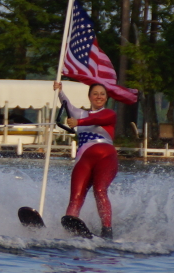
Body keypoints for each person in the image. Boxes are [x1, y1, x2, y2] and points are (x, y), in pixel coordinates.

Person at [55, 80, 118, 239]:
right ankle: (69, 229)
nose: (99, 97)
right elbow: (66, 104)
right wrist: (59, 91)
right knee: (76, 196)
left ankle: (107, 232)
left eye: (102, 94)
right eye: (95, 94)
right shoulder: (81, 113)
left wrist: (78, 122)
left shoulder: (109, 113)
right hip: (84, 159)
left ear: (106, 98)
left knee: (99, 190)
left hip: (106, 157)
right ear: (89, 97)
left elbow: (98, 120)